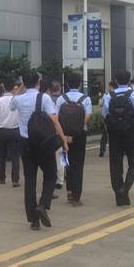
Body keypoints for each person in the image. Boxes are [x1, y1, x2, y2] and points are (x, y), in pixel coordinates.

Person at [11, 71, 69, 230]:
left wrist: (21, 88)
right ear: (39, 83)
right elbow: (55, 121)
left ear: (24, 83)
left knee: (30, 180)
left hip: (26, 143)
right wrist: (63, 140)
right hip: (44, 143)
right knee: (51, 175)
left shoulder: (18, 99)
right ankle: (43, 205)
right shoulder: (44, 98)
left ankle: (34, 220)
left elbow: (12, 103)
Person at [101, 70, 134, 206]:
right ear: (129, 80)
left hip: (114, 134)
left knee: (115, 165)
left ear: (115, 80)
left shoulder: (109, 96)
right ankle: (125, 188)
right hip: (131, 133)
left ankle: (119, 195)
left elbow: (104, 115)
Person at [56, 72, 91, 206]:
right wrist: (77, 130)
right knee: (78, 164)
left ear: (67, 84)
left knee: (66, 162)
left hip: (64, 136)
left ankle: (69, 191)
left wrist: (64, 136)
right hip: (80, 135)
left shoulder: (61, 98)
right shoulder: (85, 99)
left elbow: (56, 118)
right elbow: (87, 117)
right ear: (80, 84)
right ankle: (76, 196)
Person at [0, 77, 20, 186]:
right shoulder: (17, 100)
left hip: (1, 130)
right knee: (15, 156)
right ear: (13, 88)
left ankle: (2, 178)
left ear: (3, 88)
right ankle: (15, 180)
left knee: (2, 155)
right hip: (15, 130)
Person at [99, 80, 116, 157]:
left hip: (108, 118)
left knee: (105, 134)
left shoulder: (106, 95)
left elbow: (102, 106)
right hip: (116, 118)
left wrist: (103, 117)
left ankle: (102, 150)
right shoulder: (119, 95)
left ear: (110, 86)